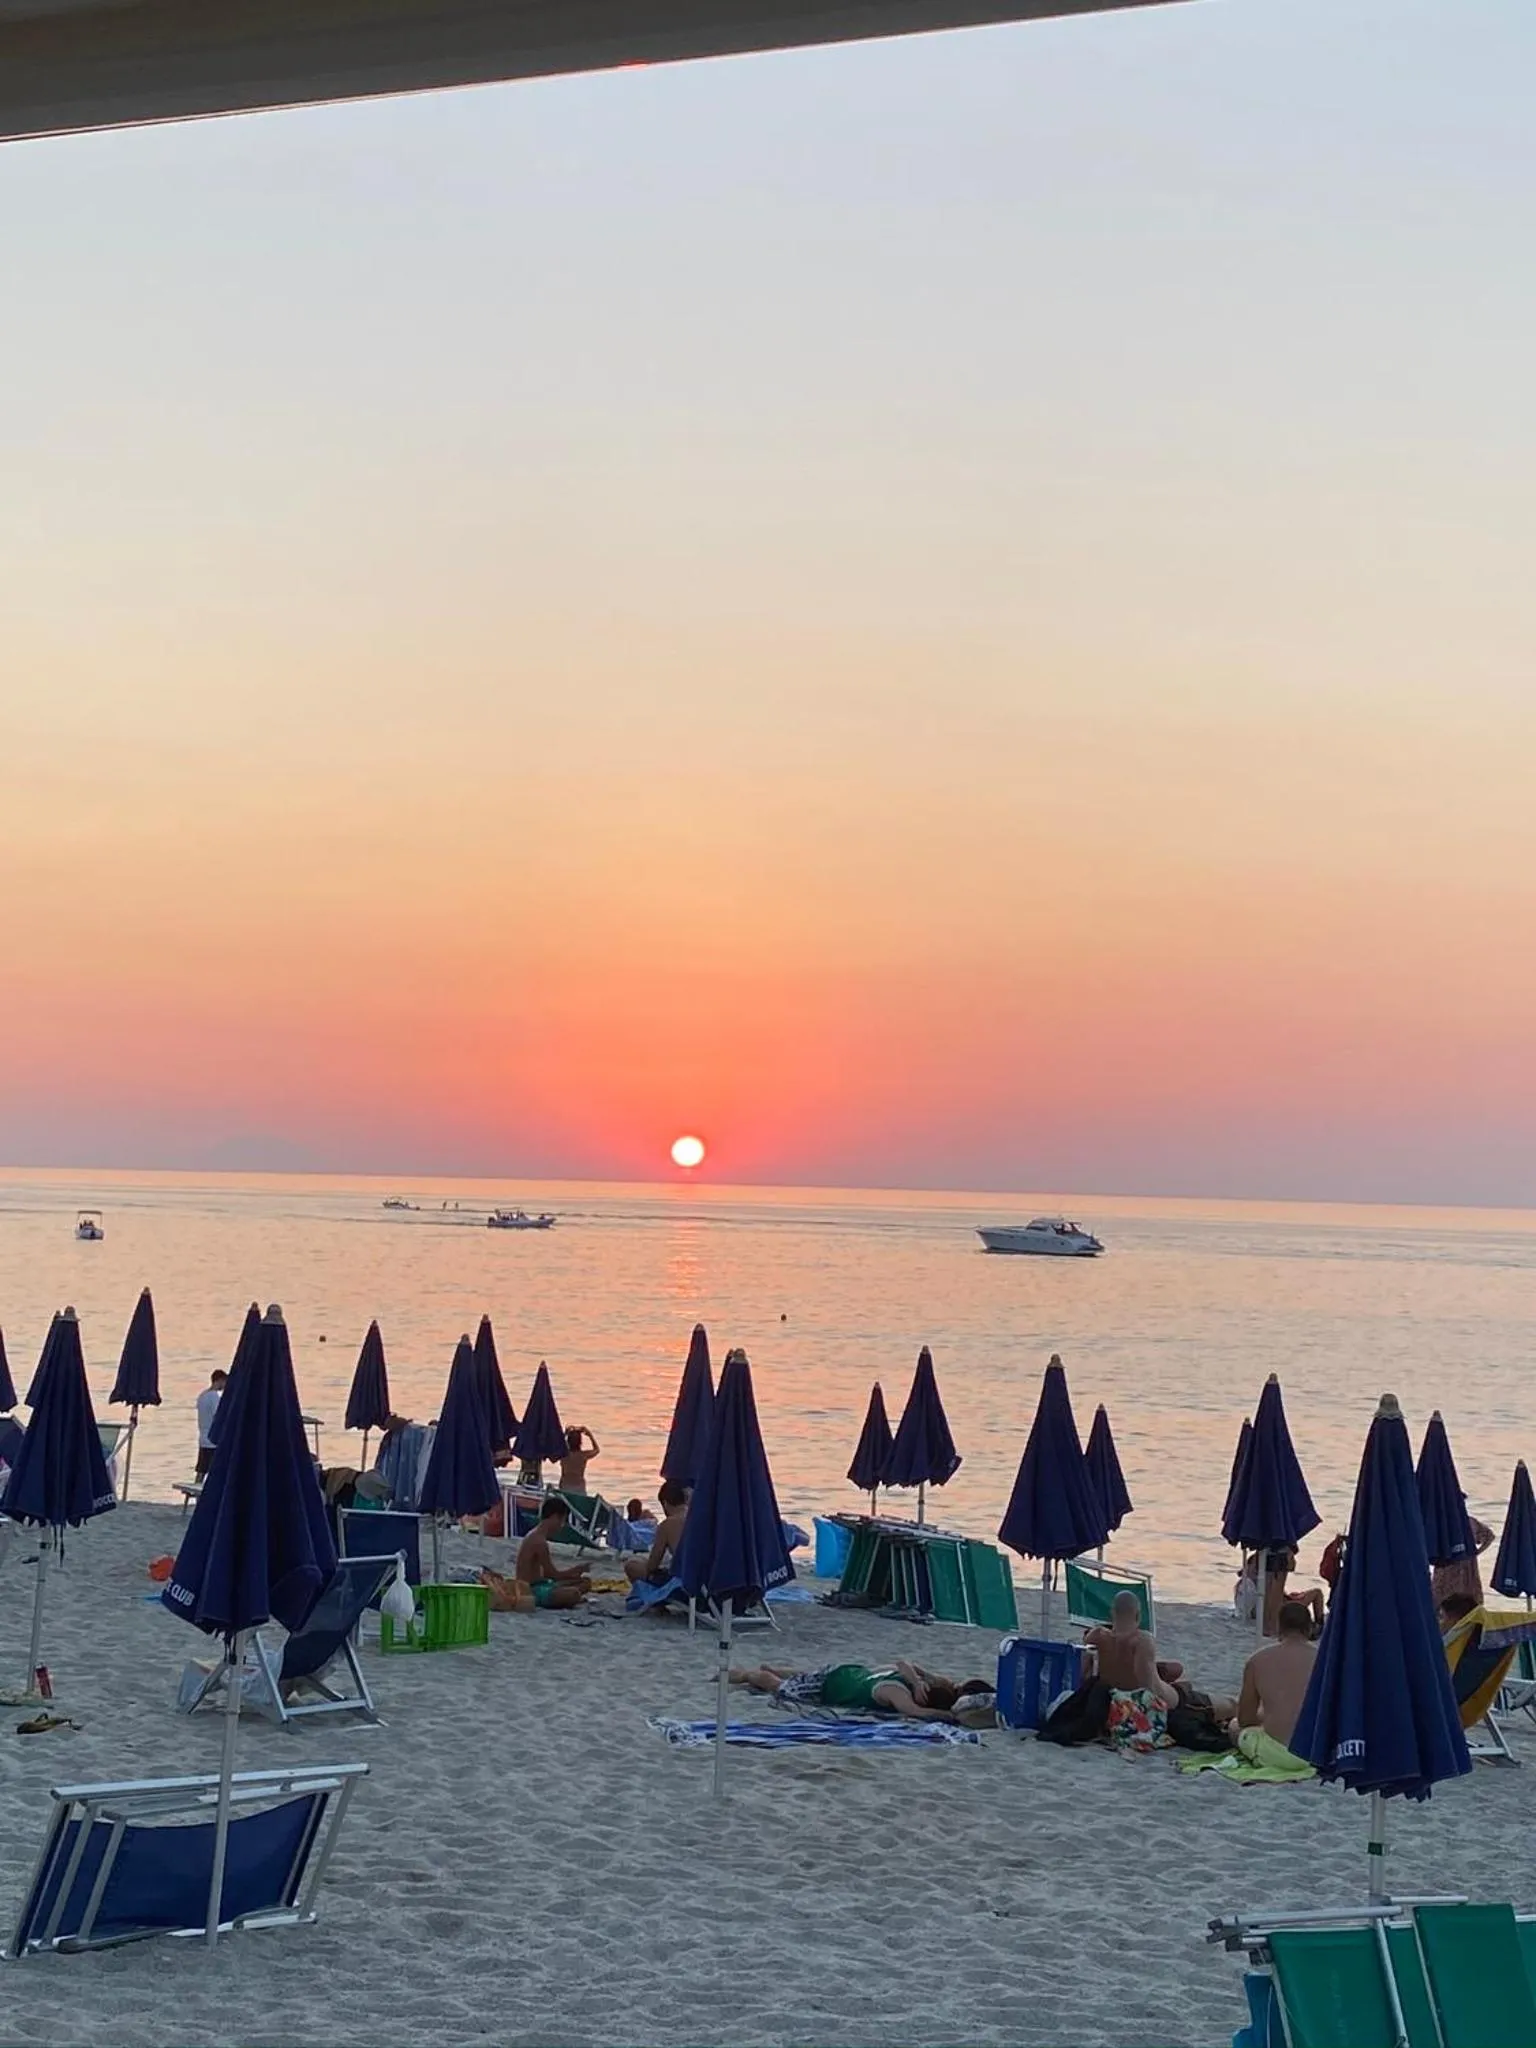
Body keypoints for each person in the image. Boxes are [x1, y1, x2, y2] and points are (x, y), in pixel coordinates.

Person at [730, 1659, 987, 1721]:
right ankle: (747, 1675)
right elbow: (914, 1712)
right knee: (780, 1688)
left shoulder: (912, 1678)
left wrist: (920, 1681)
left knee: (805, 1675)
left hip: (847, 1673)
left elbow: (903, 1663)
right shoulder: (897, 1692)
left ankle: (774, 1668)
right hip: (831, 1687)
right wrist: (948, 1716)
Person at [1232, 1600, 1318, 1751]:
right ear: (1310, 1628)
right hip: (1316, 1750)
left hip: (1276, 1752)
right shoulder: (1326, 1659)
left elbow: (1245, 1719)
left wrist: (1266, 1714)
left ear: (1279, 1627)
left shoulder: (1257, 1660)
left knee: (1234, 1727)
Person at [1083, 1590, 1183, 1710]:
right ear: (1138, 1615)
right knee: (1183, 1685)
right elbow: (1149, 1686)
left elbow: (1086, 1649)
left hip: (1109, 1691)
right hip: (1143, 1699)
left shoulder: (1098, 1635)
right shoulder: (1142, 1640)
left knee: (1174, 1668)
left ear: (1112, 1613)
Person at [513, 1498, 590, 1610]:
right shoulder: (539, 1541)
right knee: (573, 1594)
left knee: (585, 1583)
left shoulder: (536, 1534)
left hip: (541, 1584)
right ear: (554, 1517)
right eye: (562, 1521)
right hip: (531, 1590)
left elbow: (546, 1575)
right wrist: (575, 1570)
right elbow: (552, 1575)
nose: (561, 1526)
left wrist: (573, 1575)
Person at [624, 1480, 688, 1585]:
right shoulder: (699, 1516)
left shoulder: (667, 1525)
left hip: (682, 1578)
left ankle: (649, 1592)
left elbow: (652, 1566)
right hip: (703, 1575)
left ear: (665, 1503)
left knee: (631, 1565)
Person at [1432, 1514, 1494, 1614]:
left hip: (1447, 1566)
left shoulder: (1442, 1522)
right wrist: (1477, 1552)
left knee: (1440, 1601)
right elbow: (1489, 1536)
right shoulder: (1470, 1521)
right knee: (1469, 1602)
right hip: (1467, 1568)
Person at [1261, 1547, 1325, 1638]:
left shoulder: (1263, 1564)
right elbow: (1276, 1595)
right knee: (1317, 1593)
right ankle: (1318, 1626)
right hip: (1283, 1608)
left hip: (1274, 1607)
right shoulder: (1278, 1573)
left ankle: (1270, 1627)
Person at [194, 1369, 227, 1478]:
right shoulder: (214, 1397)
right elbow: (218, 1416)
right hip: (213, 1440)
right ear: (219, 1380)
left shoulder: (202, 1395)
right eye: (224, 1382)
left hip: (203, 1438)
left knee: (201, 1469)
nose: (225, 1385)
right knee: (218, 1470)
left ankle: (197, 1485)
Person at [558, 1426, 600, 1493]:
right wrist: (590, 1435)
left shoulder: (563, 1454)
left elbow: (556, 1446)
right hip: (579, 1489)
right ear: (580, 1442)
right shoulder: (583, 1455)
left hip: (564, 1488)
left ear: (568, 1442)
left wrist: (564, 1435)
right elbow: (597, 1450)